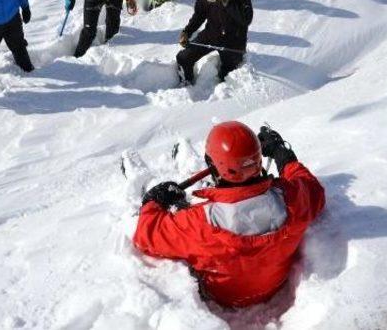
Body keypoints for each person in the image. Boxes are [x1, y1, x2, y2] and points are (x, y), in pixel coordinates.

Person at [133, 121, 326, 307]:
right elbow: (311, 187)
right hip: (275, 285)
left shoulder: (198, 222)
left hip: (224, 297)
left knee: (182, 217)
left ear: (214, 166)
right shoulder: (292, 198)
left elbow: (146, 235)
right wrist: (281, 154)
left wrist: (152, 200)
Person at [176, 0, 252, 84]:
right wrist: (187, 31)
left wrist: (227, 1)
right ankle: (186, 84)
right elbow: (199, 16)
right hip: (212, 34)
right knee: (183, 58)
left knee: (227, 76)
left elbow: (246, 20)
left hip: (234, 40)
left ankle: (220, 99)